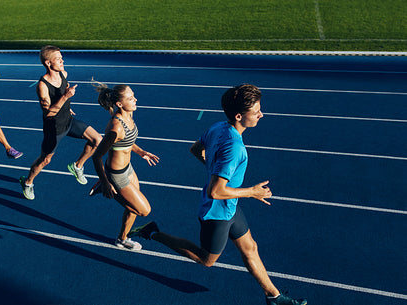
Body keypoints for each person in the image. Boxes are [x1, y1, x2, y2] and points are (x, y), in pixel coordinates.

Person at [128, 85, 307, 305]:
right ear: (240, 116)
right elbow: (216, 191)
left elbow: (195, 149)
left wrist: (214, 168)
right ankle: (153, 232)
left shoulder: (218, 127)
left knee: (250, 247)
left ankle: (274, 297)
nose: (261, 114)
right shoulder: (234, 147)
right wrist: (252, 192)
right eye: (256, 111)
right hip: (217, 213)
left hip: (230, 205)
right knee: (206, 260)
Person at [19, 45, 102, 200]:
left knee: (97, 140)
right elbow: (48, 113)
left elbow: (63, 90)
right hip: (54, 128)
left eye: (61, 57)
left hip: (68, 121)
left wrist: (67, 107)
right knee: (45, 160)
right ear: (48, 63)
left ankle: (77, 166)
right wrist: (65, 97)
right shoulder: (42, 86)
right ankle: (28, 182)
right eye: (58, 59)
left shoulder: (64, 74)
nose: (62, 60)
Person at [90, 81, 159, 251]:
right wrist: (105, 182)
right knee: (144, 210)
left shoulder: (129, 115)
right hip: (116, 175)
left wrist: (141, 152)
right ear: (120, 104)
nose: (135, 99)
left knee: (133, 210)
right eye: (130, 98)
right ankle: (102, 187)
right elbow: (97, 156)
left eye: (133, 95)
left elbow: (127, 143)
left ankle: (122, 239)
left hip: (128, 168)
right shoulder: (116, 127)